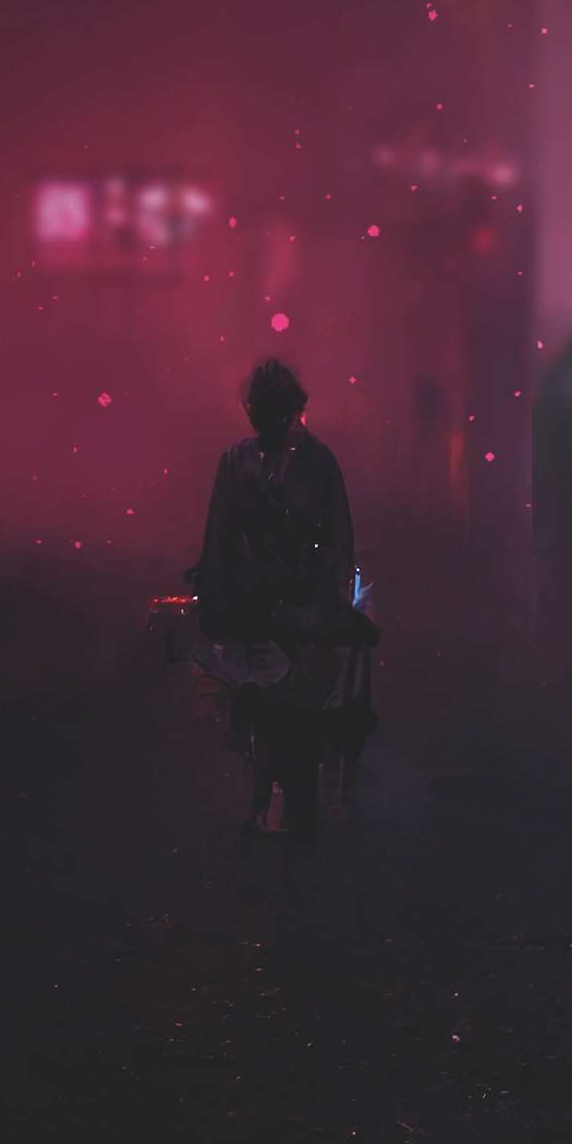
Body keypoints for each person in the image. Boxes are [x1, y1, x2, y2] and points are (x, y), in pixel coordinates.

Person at [188, 358, 364, 836]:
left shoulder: (312, 463)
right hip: (263, 606)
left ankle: (282, 807)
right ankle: (273, 806)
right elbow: (220, 537)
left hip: (299, 608)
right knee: (269, 712)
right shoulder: (241, 462)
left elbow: (337, 541)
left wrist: (330, 606)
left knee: (290, 713)